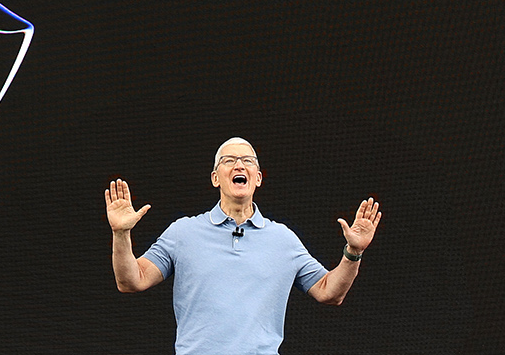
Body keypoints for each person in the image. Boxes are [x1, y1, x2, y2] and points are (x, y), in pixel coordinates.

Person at [105, 138, 381, 355]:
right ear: (215, 177)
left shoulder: (283, 239)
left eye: (247, 160)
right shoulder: (182, 233)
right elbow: (132, 280)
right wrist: (121, 233)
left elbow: (329, 292)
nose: (239, 165)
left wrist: (353, 252)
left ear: (258, 177)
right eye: (229, 160)